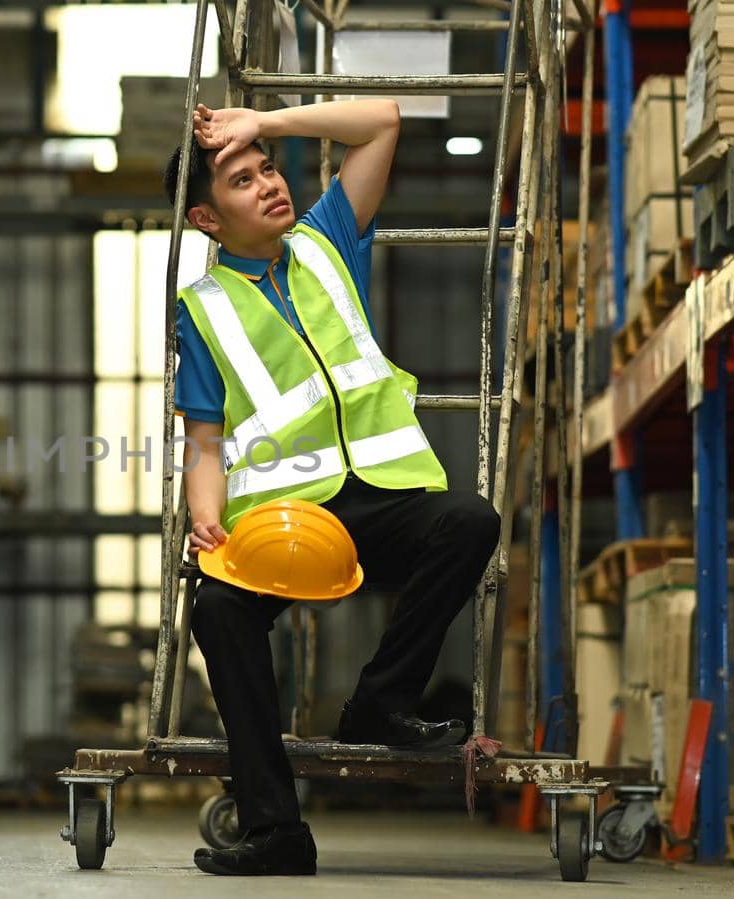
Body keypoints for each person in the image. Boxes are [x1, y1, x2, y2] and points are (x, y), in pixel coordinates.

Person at [167, 99, 501, 876]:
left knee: (470, 520)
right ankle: (276, 829)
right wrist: (207, 518)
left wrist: (263, 122)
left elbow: (381, 121)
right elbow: (205, 444)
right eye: (243, 182)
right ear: (207, 220)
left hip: (377, 499)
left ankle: (380, 702)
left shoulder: (326, 244)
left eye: (267, 170)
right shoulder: (204, 312)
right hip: (282, 523)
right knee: (218, 608)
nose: (268, 185)